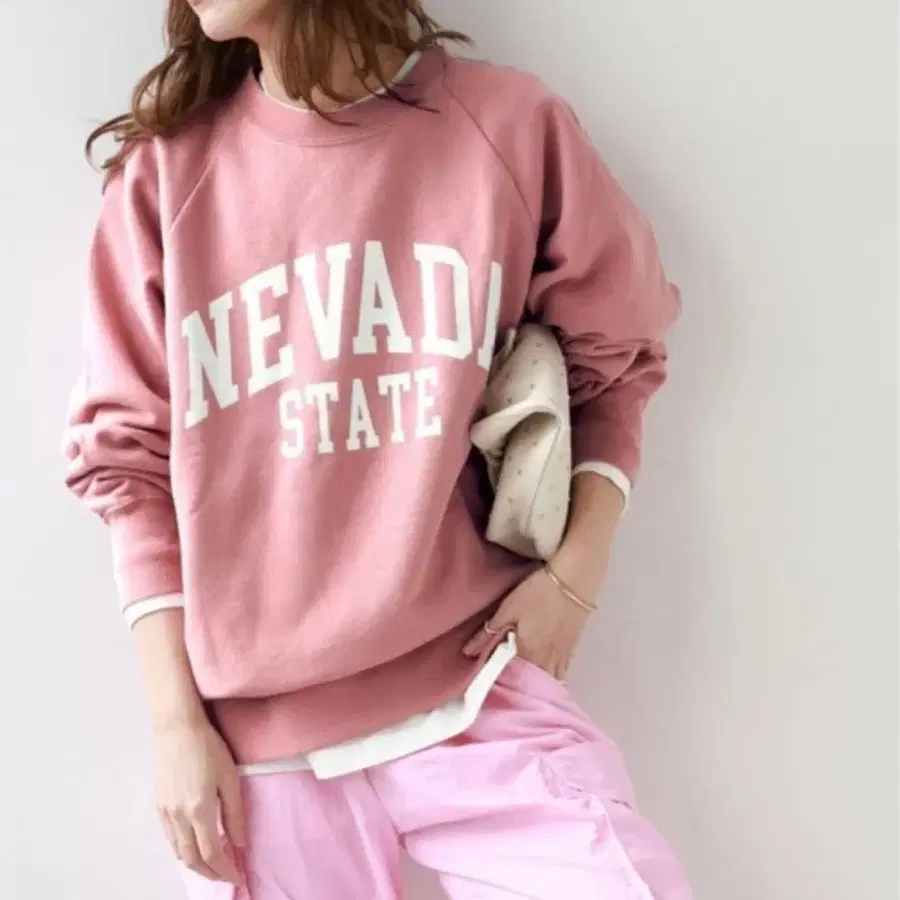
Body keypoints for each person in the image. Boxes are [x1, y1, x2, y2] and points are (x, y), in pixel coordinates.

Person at [64, 1, 690, 898]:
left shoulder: (506, 128)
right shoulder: (165, 180)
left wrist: (575, 576)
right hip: (260, 757)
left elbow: (618, 359)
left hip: (474, 688)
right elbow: (126, 465)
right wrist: (175, 727)